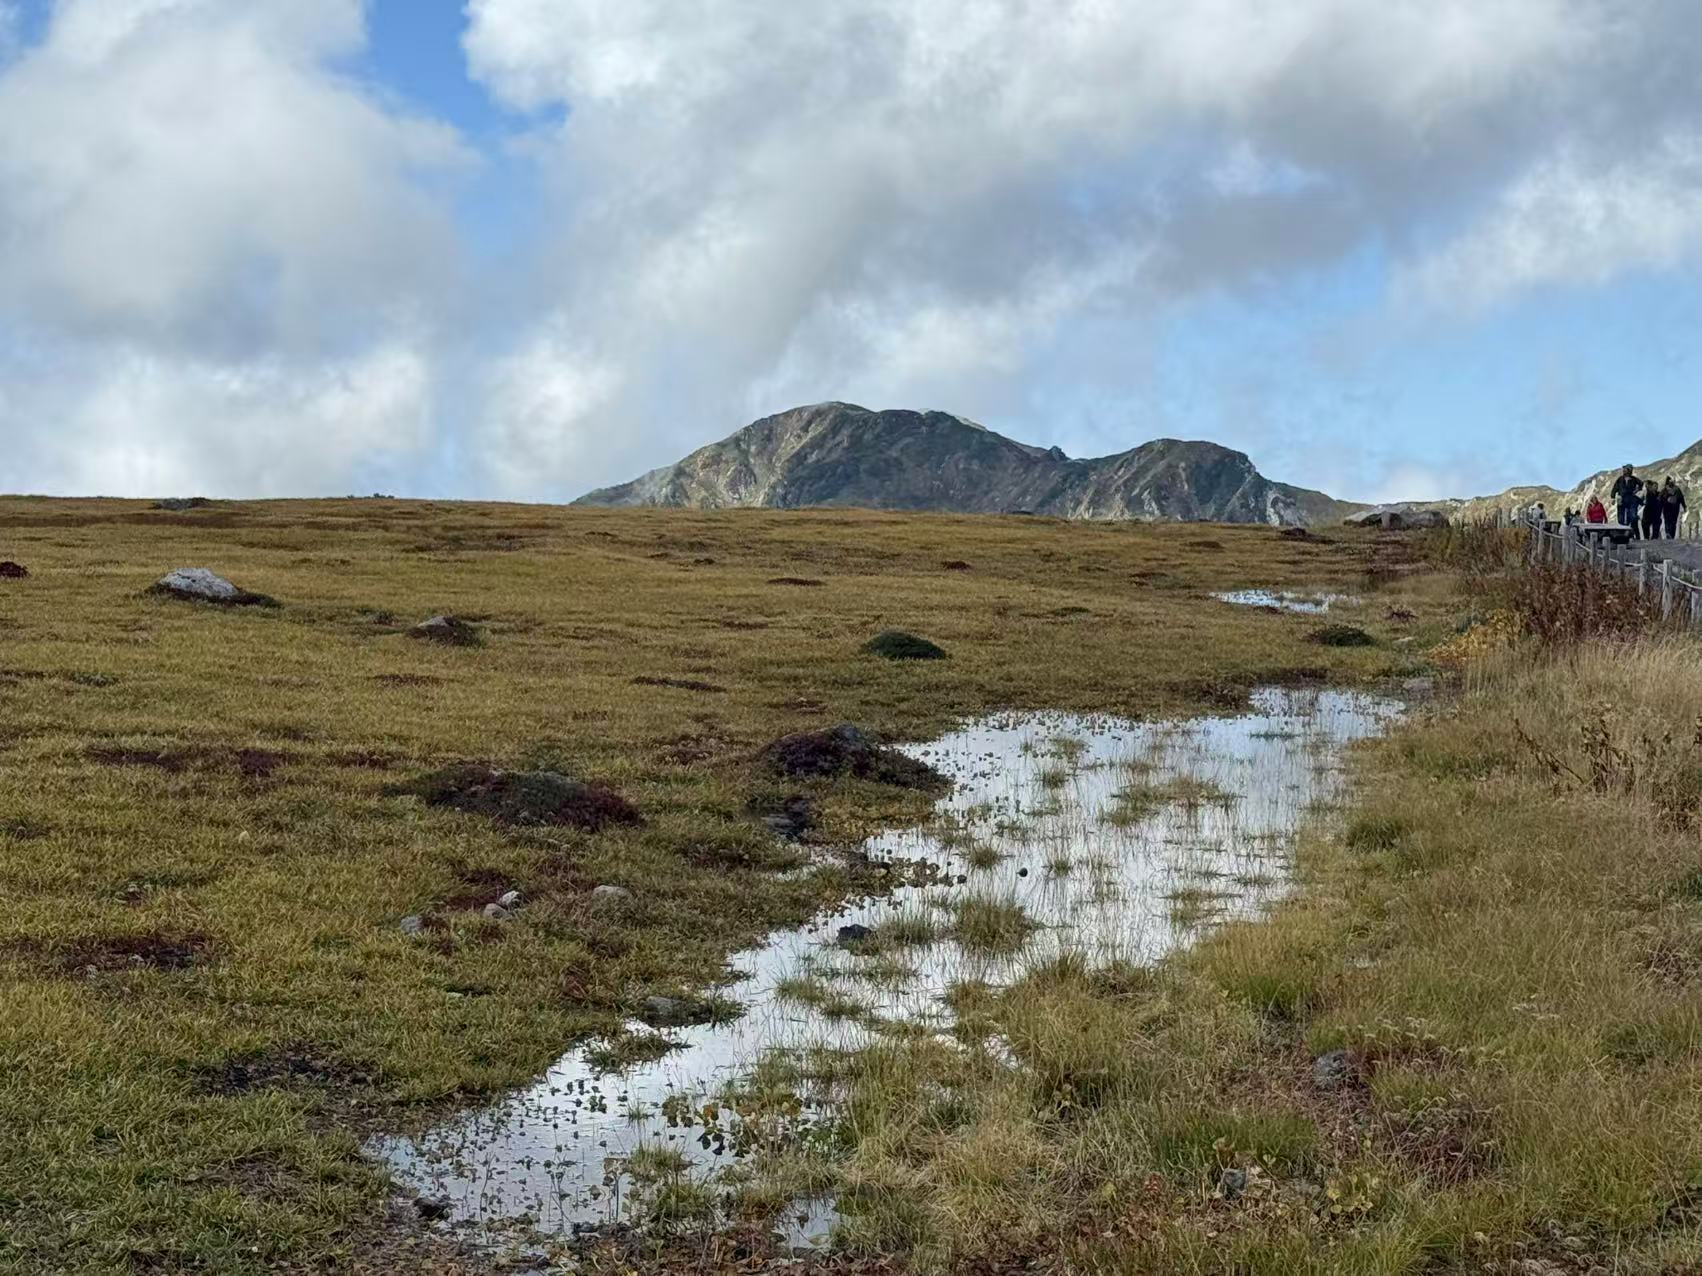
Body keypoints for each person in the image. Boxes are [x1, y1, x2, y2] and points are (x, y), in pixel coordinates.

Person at [1611, 465, 1643, 535]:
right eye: (1624, 469)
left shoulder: (1634, 479)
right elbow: (1615, 488)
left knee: (1633, 517)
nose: (1624, 471)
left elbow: (1641, 484)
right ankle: (1622, 533)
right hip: (1621, 499)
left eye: (1625, 469)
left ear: (1629, 470)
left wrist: (1637, 490)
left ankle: (1634, 534)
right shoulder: (1620, 479)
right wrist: (1613, 498)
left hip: (1631, 499)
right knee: (1620, 518)